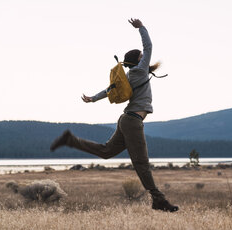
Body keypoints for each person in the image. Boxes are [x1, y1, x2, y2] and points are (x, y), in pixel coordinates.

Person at [50, 18, 178, 212]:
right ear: (138, 60)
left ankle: (71, 140)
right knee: (142, 163)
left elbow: (109, 89)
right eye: (142, 56)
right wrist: (141, 27)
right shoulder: (140, 70)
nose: (146, 57)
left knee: (106, 151)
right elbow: (149, 45)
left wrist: (93, 98)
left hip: (126, 120)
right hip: (133, 122)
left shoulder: (128, 76)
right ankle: (159, 200)